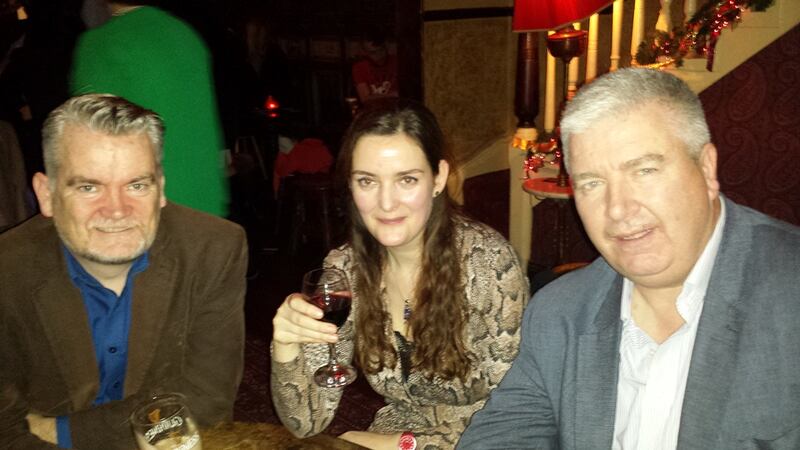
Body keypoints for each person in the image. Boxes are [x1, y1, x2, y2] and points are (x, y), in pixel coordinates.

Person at [458, 68, 800, 449]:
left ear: (706, 168)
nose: (618, 209)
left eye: (645, 170)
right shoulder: (560, 312)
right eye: (592, 183)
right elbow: (503, 437)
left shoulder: (790, 293)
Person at [271, 99, 529, 449]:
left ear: (438, 178)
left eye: (407, 179)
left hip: (485, 437)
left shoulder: (489, 265)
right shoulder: (344, 271)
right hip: (396, 432)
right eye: (367, 181)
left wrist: (404, 445)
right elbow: (307, 422)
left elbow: (516, 412)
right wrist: (286, 345)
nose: (386, 203)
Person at [0, 94, 247, 449]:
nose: (116, 210)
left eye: (136, 185)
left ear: (160, 188)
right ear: (47, 194)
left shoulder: (213, 248)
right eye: (89, 187)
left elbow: (207, 404)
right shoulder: (7, 272)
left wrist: (64, 431)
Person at [70, 0, 230, 217]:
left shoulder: (100, 44)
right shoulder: (186, 35)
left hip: (144, 212)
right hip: (204, 204)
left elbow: (88, 137)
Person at [352, 30, 399, 104]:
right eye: (372, 53)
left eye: (381, 50)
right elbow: (365, 99)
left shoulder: (398, 62)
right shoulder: (360, 67)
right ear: (365, 52)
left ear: (386, 46)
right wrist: (394, 94)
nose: (378, 56)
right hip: (373, 111)